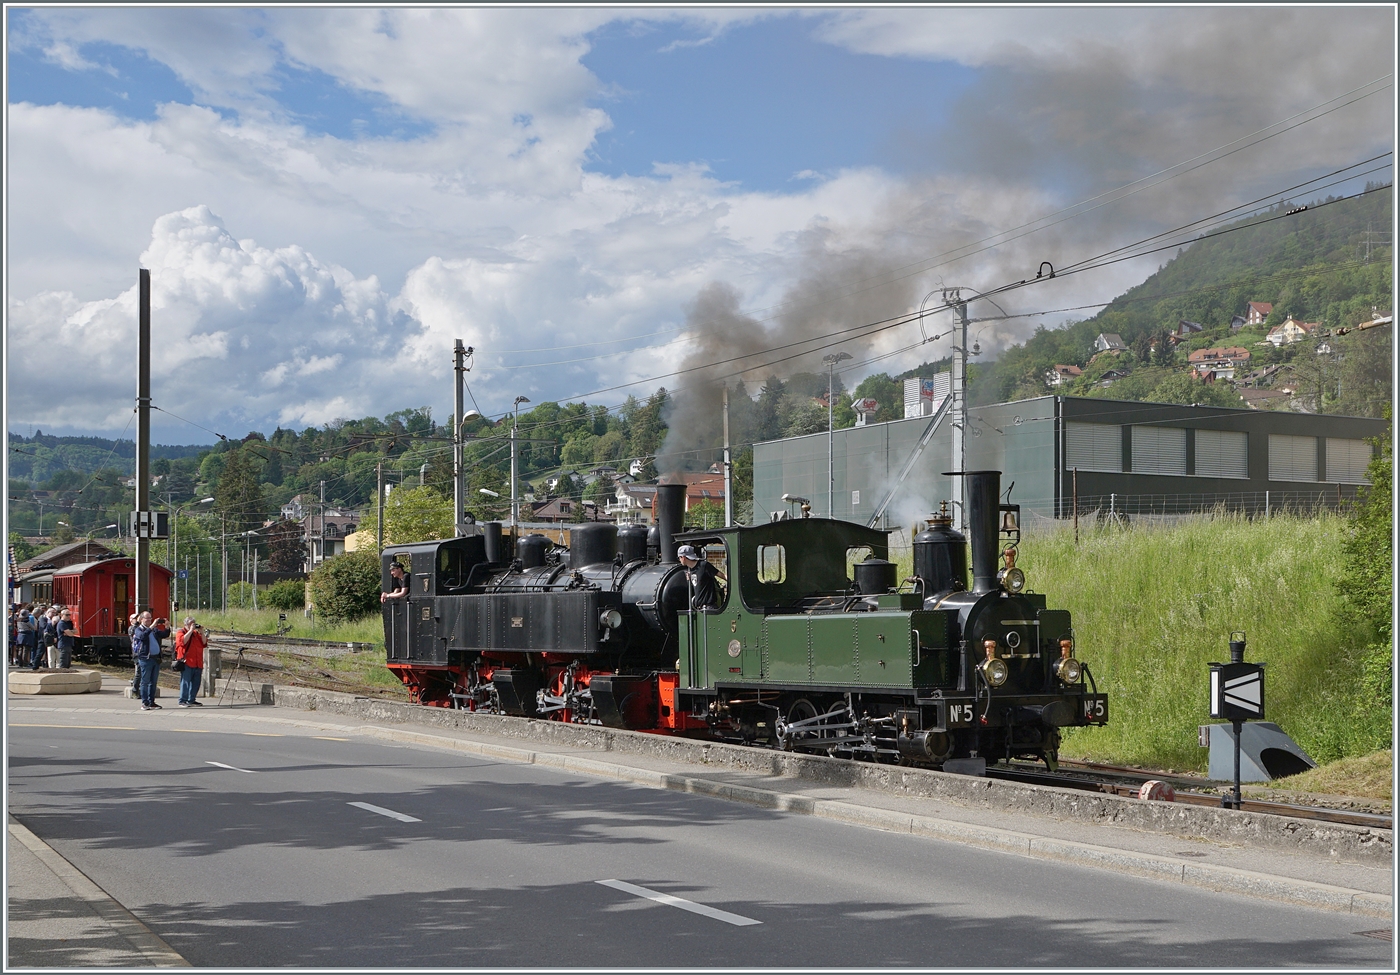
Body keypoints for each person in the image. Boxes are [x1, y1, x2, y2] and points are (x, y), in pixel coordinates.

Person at [131, 612, 170, 711]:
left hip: (155, 659)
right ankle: (145, 702)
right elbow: (143, 636)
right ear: (141, 619)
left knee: (153, 682)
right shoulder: (138, 629)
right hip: (145, 659)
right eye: (147, 619)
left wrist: (167, 627)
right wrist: (151, 626)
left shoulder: (154, 630)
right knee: (145, 681)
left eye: (150, 618)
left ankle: (151, 702)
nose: (149, 620)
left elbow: (164, 634)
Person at [676, 545, 723, 611]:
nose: (679, 560)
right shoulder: (690, 570)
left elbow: (722, 576)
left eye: (679, 558)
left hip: (709, 608)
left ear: (683, 557)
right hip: (699, 609)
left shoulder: (704, 566)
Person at [174, 617, 206, 708]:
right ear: (186, 625)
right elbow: (182, 642)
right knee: (185, 682)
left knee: (196, 682)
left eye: (194, 624)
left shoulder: (196, 634)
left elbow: (204, 643)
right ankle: (182, 700)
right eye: (191, 624)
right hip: (187, 662)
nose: (193, 626)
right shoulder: (181, 632)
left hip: (197, 662)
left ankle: (191, 699)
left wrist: (202, 632)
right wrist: (190, 631)